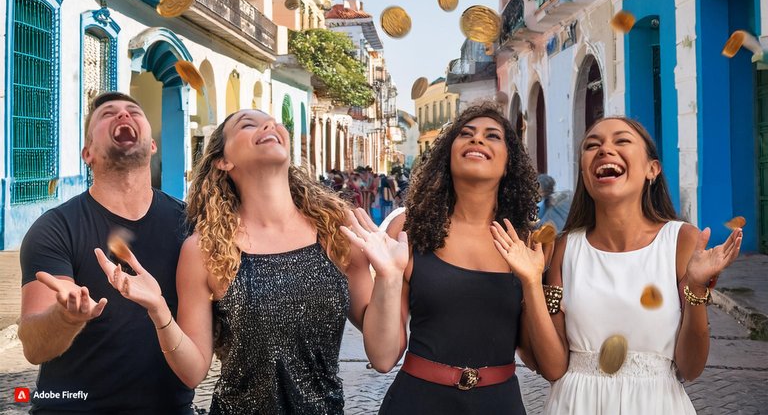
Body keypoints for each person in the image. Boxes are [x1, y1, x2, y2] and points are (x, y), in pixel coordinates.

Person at [94, 109, 383, 414]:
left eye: (272, 122)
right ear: (223, 161)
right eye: (249, 124)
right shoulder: (204, 250)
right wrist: (159, 310)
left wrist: (390, 275)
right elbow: (192, 373)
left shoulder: (336, 233)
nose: (269, 125)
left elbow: (384, 354)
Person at [490, 116, 743, 414]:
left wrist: (697, 287)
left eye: (621, 141)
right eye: (592, 145)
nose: (604, 149)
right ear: (584, 171)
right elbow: (553, 368)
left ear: (652, 169)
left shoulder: (681, 241)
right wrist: (531, 282)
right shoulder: (564, 248)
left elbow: (691, 366)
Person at [343, 102, 541, 414]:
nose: (477, 140)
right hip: (417, 402)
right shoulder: (409, 229)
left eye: (492, 136)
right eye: (466, 133)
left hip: (500, 404)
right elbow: (382, 358)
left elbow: (537, 357)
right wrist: (388, 277)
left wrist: (534, 286)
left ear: (509, 164)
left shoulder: (527, 243)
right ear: (447, 155)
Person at [18, 92, 194, 414]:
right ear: (88, 153)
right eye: (108, 114)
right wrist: (66, 317)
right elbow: (34, 347)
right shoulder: (55, 228)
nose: (123, 116)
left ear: (152, 145)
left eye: (133, 111)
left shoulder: (190, 226)